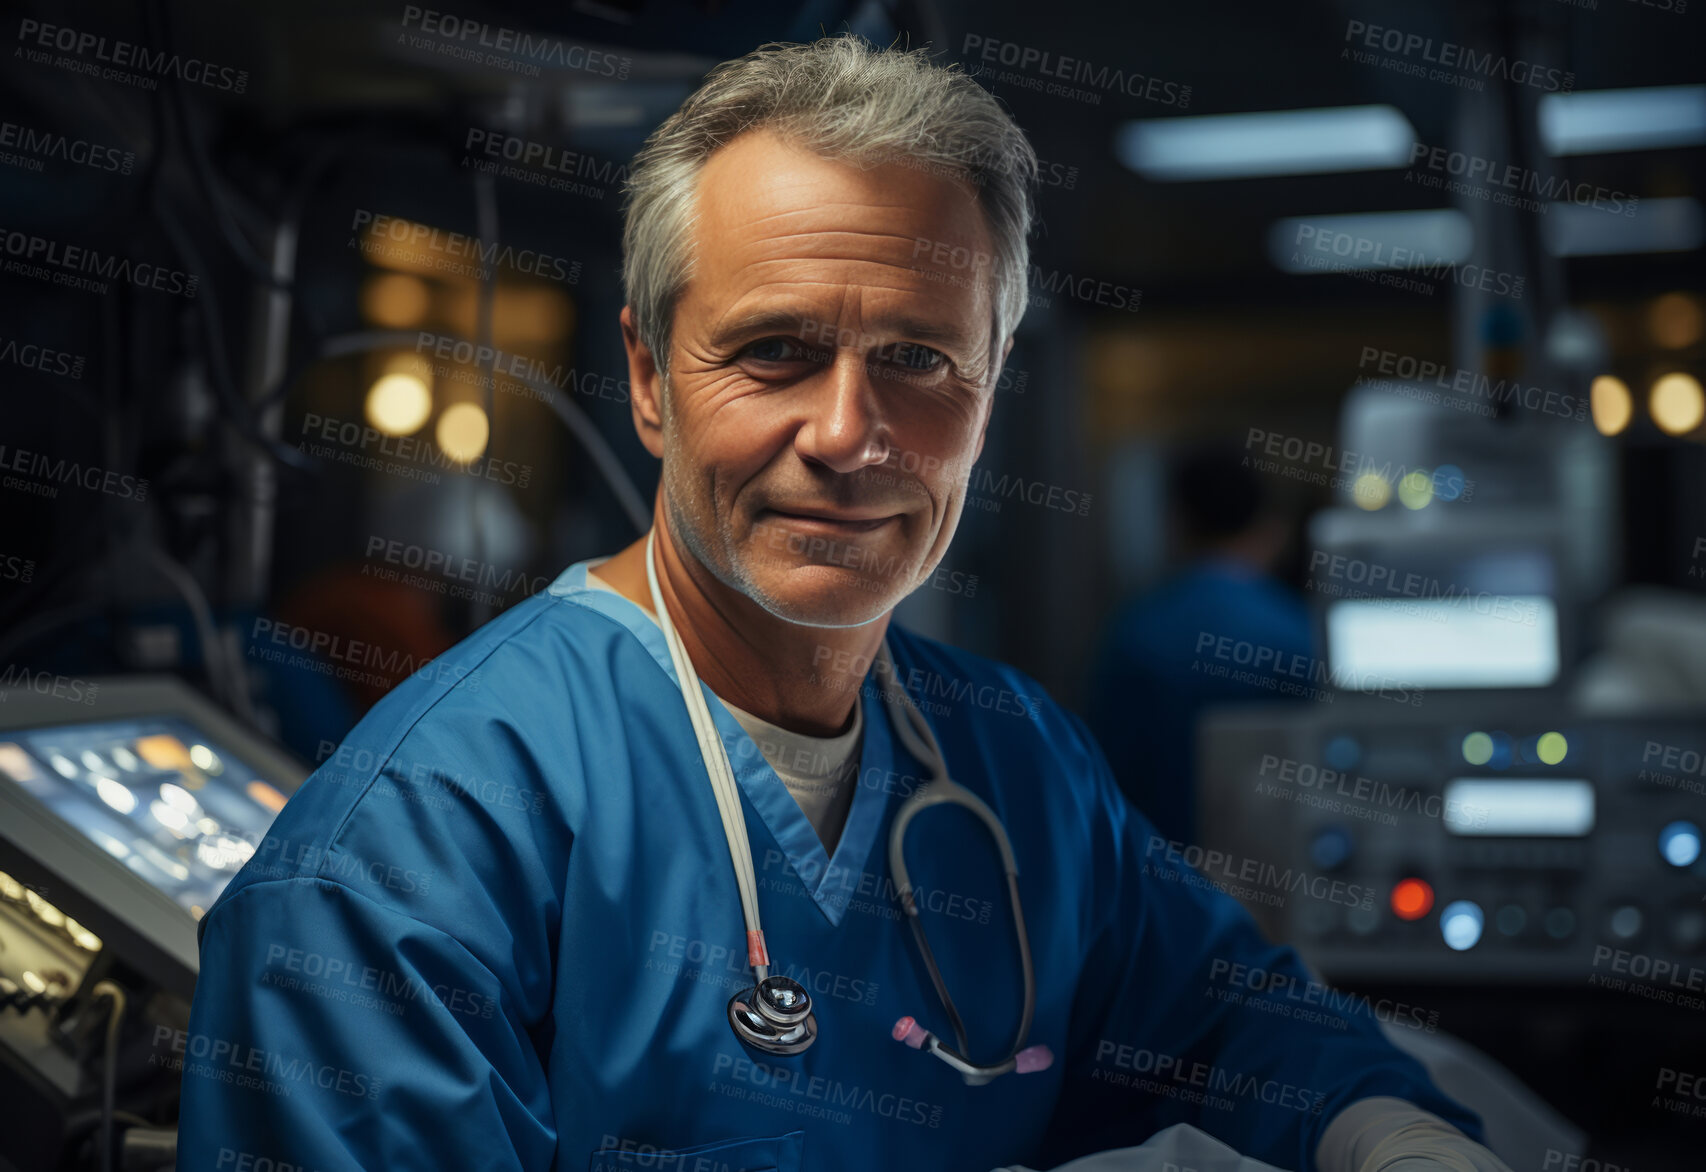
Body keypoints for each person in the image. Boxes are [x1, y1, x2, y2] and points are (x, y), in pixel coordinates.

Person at [178, 36, 1511, 1172]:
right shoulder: (406, 859)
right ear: (647, 378)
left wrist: (1389, 1137)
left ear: (989, 394)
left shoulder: (1015, 771)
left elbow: (1235, 1022)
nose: (847, 432)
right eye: (774, 350)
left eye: (920, 360)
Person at [1087, 442, 1315, 846]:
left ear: (1177, 521)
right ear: (1272, 528)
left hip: (1155, 876)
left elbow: (1101, 781)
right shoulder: (1300, 634)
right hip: (1279, 881)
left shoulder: (1136, 633)